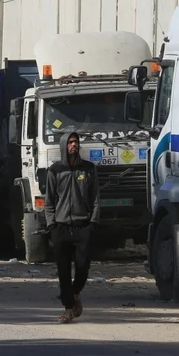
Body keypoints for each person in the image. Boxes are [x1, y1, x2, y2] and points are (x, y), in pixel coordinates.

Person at [44, 132, 100, 323]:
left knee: (83, 267)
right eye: (70, 142)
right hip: (60, 228)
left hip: (83, 226)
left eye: (76, 142)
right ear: (64, 146)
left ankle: (75, 293)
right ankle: (68, 309)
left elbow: (95, 199)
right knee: (63, 270)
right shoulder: (54, 171)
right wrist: (51, 224)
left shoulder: (89, 169)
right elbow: (49, 201)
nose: (74, 145)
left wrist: (92, 223)